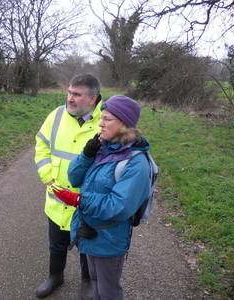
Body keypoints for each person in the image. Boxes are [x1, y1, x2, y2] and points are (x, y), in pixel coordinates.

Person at [52, 95, 151, 300]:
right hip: (89, 232)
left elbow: (119, 206)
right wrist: (87, 155)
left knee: (108, 292)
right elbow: (74, 178)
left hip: (109, 237)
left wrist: (79, 201)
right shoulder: (101, 147)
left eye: (106, 119)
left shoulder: (136, 163)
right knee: (96, 284)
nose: (100, 123)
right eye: (101, 117)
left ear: (124, 124)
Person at [34, 73, 102, 299]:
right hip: (57, 198)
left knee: (86, 245)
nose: (69, 98)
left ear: (92, 99)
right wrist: (48, 176)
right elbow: (41, 145)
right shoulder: (56, 115)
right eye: (69, 92)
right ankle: (56, 276)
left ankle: (87, 281)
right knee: (57, 243)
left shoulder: (107, 121)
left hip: (86, 203)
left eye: (76, 94)